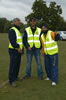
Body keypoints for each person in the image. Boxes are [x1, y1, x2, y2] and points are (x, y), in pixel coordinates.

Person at [8, 18, 24, 87]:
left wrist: (21, 49)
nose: (19, 22)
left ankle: (16, 76)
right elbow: (12, 40)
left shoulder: (18, 30)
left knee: (17, 65)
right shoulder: (12, 30)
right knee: (13, 65)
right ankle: (11, 80)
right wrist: (18, 47)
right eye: (18, 21)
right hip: (14, 50)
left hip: (18, 50)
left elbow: (20, 41)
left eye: (19, 21)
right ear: (14, 22)